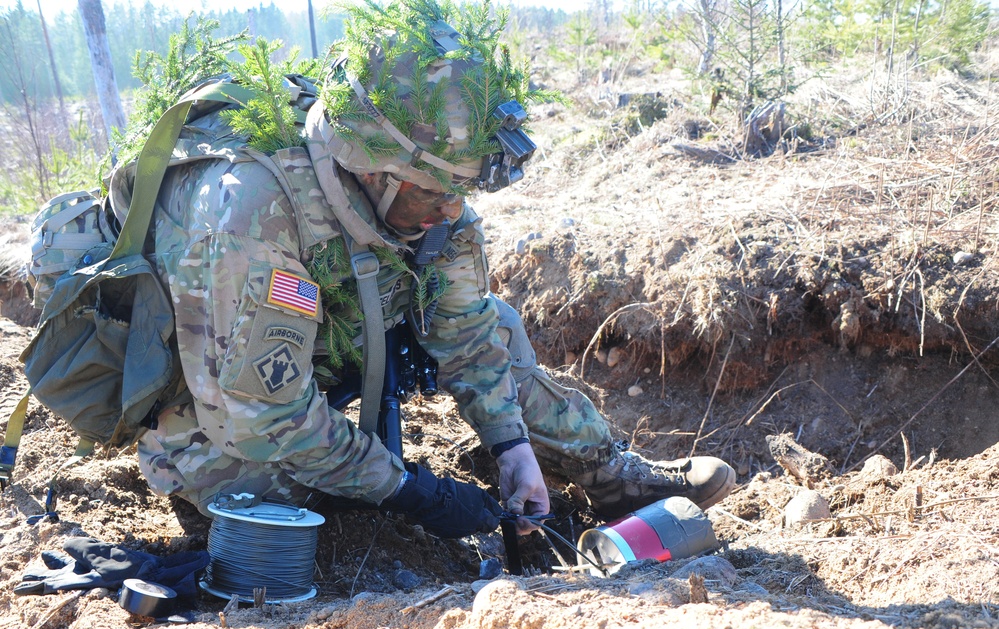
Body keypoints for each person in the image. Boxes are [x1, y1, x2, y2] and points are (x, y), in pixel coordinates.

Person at [134, 0, 735, 540]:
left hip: (325, 338)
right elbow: (268, 415)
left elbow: (468, 333)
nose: (454, 208)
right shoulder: (252, 215)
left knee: (496, 323)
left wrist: (512, 446)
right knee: (297, 514)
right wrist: (408, 490)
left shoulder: (428, 199)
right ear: (374, 170)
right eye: (436, 192)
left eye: (461, 190)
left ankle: (610, 473)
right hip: (212, 388)